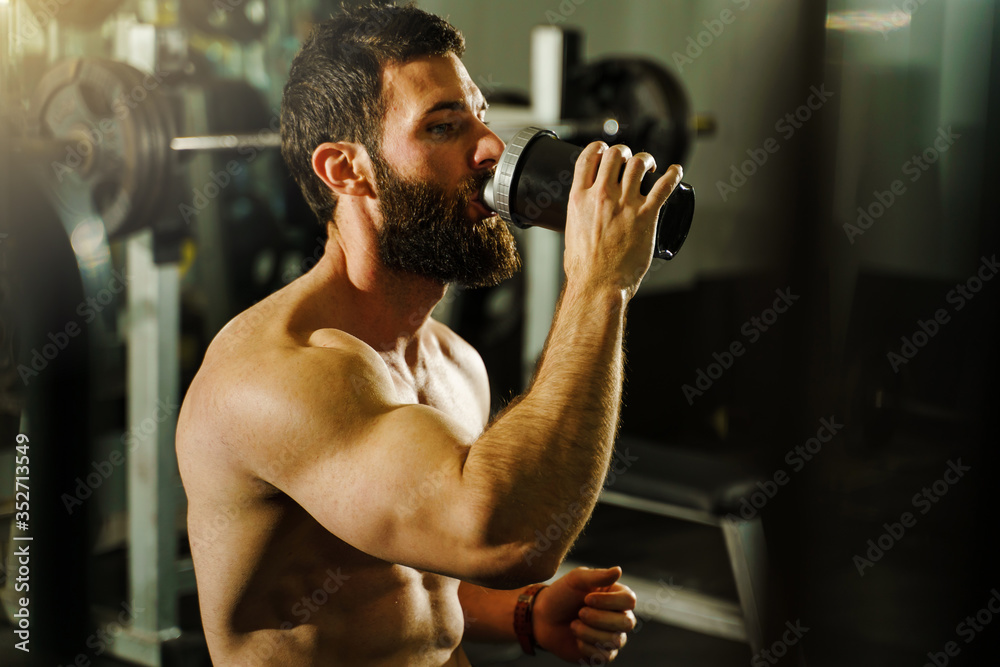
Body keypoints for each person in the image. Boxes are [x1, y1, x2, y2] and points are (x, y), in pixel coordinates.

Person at [176, 3, 683, 664]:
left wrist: (521, 612)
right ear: (346, 170)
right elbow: (510, 538)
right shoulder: (279, 376)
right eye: (443, 127)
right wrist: (599, 283)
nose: (491, 148)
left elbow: (409, 570)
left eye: (478, 116)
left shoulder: (451, 360)